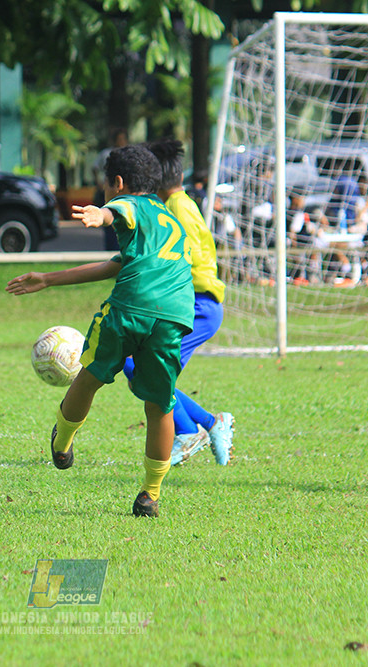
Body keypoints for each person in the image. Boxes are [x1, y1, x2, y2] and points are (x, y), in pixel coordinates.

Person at [6, 145, 194, 517]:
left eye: (105, 188)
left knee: (90, 374)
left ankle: (62, 440)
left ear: (118, 183)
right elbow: (114, 265)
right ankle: (150, 495)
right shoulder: (169, 222)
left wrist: (101, 213)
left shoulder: (129, 206)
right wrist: (47, 279)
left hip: (130, 309)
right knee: (160, 405)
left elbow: (120, 208)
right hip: (173, 316)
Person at [136, 139, 234, 466]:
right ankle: (209, 423)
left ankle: (194, 430)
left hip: (197, 306)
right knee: (138, 368)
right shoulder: (178, 204)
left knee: (146, 372)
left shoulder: (178, 208)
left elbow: (183, 256)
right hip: (190, 305)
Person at [92, 128, 128, 251]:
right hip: (109, 190)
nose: (121, 141)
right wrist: (98, 183)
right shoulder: (106, 153)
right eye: (120, 139)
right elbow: (95, 168)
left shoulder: (127, 153)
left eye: (123, 139)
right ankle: (110, 249)